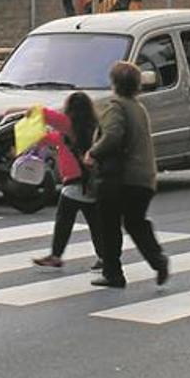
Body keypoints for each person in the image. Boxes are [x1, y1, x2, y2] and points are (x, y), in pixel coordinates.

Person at [85, 62, 169, 289]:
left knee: (109, 225)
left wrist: (93, 152)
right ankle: (157, 259)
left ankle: (113, 273)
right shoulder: (138, 107)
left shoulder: (115, 106)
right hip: (144, 177)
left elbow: (113, 135)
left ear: (114, 83)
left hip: (120, 178)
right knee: (135, 222)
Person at [32, 92, 103, 271]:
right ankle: (104, 256)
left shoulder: (69, 124)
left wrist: (25, 112)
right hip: (87, 182)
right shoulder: (84, 128)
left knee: (64, 219)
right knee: (94, 222)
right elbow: (53, 139)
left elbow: (45, 114)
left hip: (76, 182)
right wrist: (37, 139)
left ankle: (56, 256)